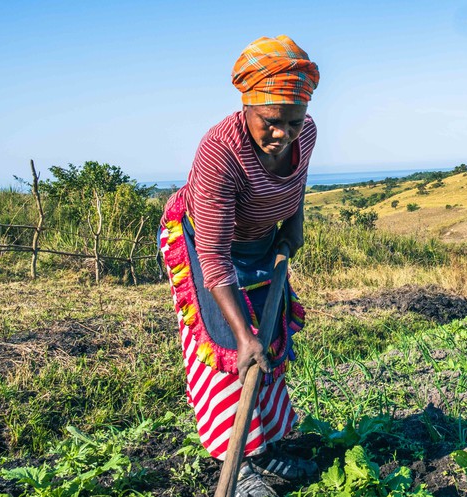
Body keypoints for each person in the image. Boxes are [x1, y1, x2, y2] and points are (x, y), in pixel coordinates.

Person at [158, 35, 319, 497]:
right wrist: (242, 334)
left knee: (270, 340)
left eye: (294, 121)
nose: (283, 134)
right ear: (245, 107)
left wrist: (294, 225)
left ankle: (265, 447)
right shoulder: (219, 152)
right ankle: (238, 462)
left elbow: (298, 182)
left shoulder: (304, 133)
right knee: (230, 347)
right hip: (206, 246)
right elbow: (212, 255)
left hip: (263, 241)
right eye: (271, 122)